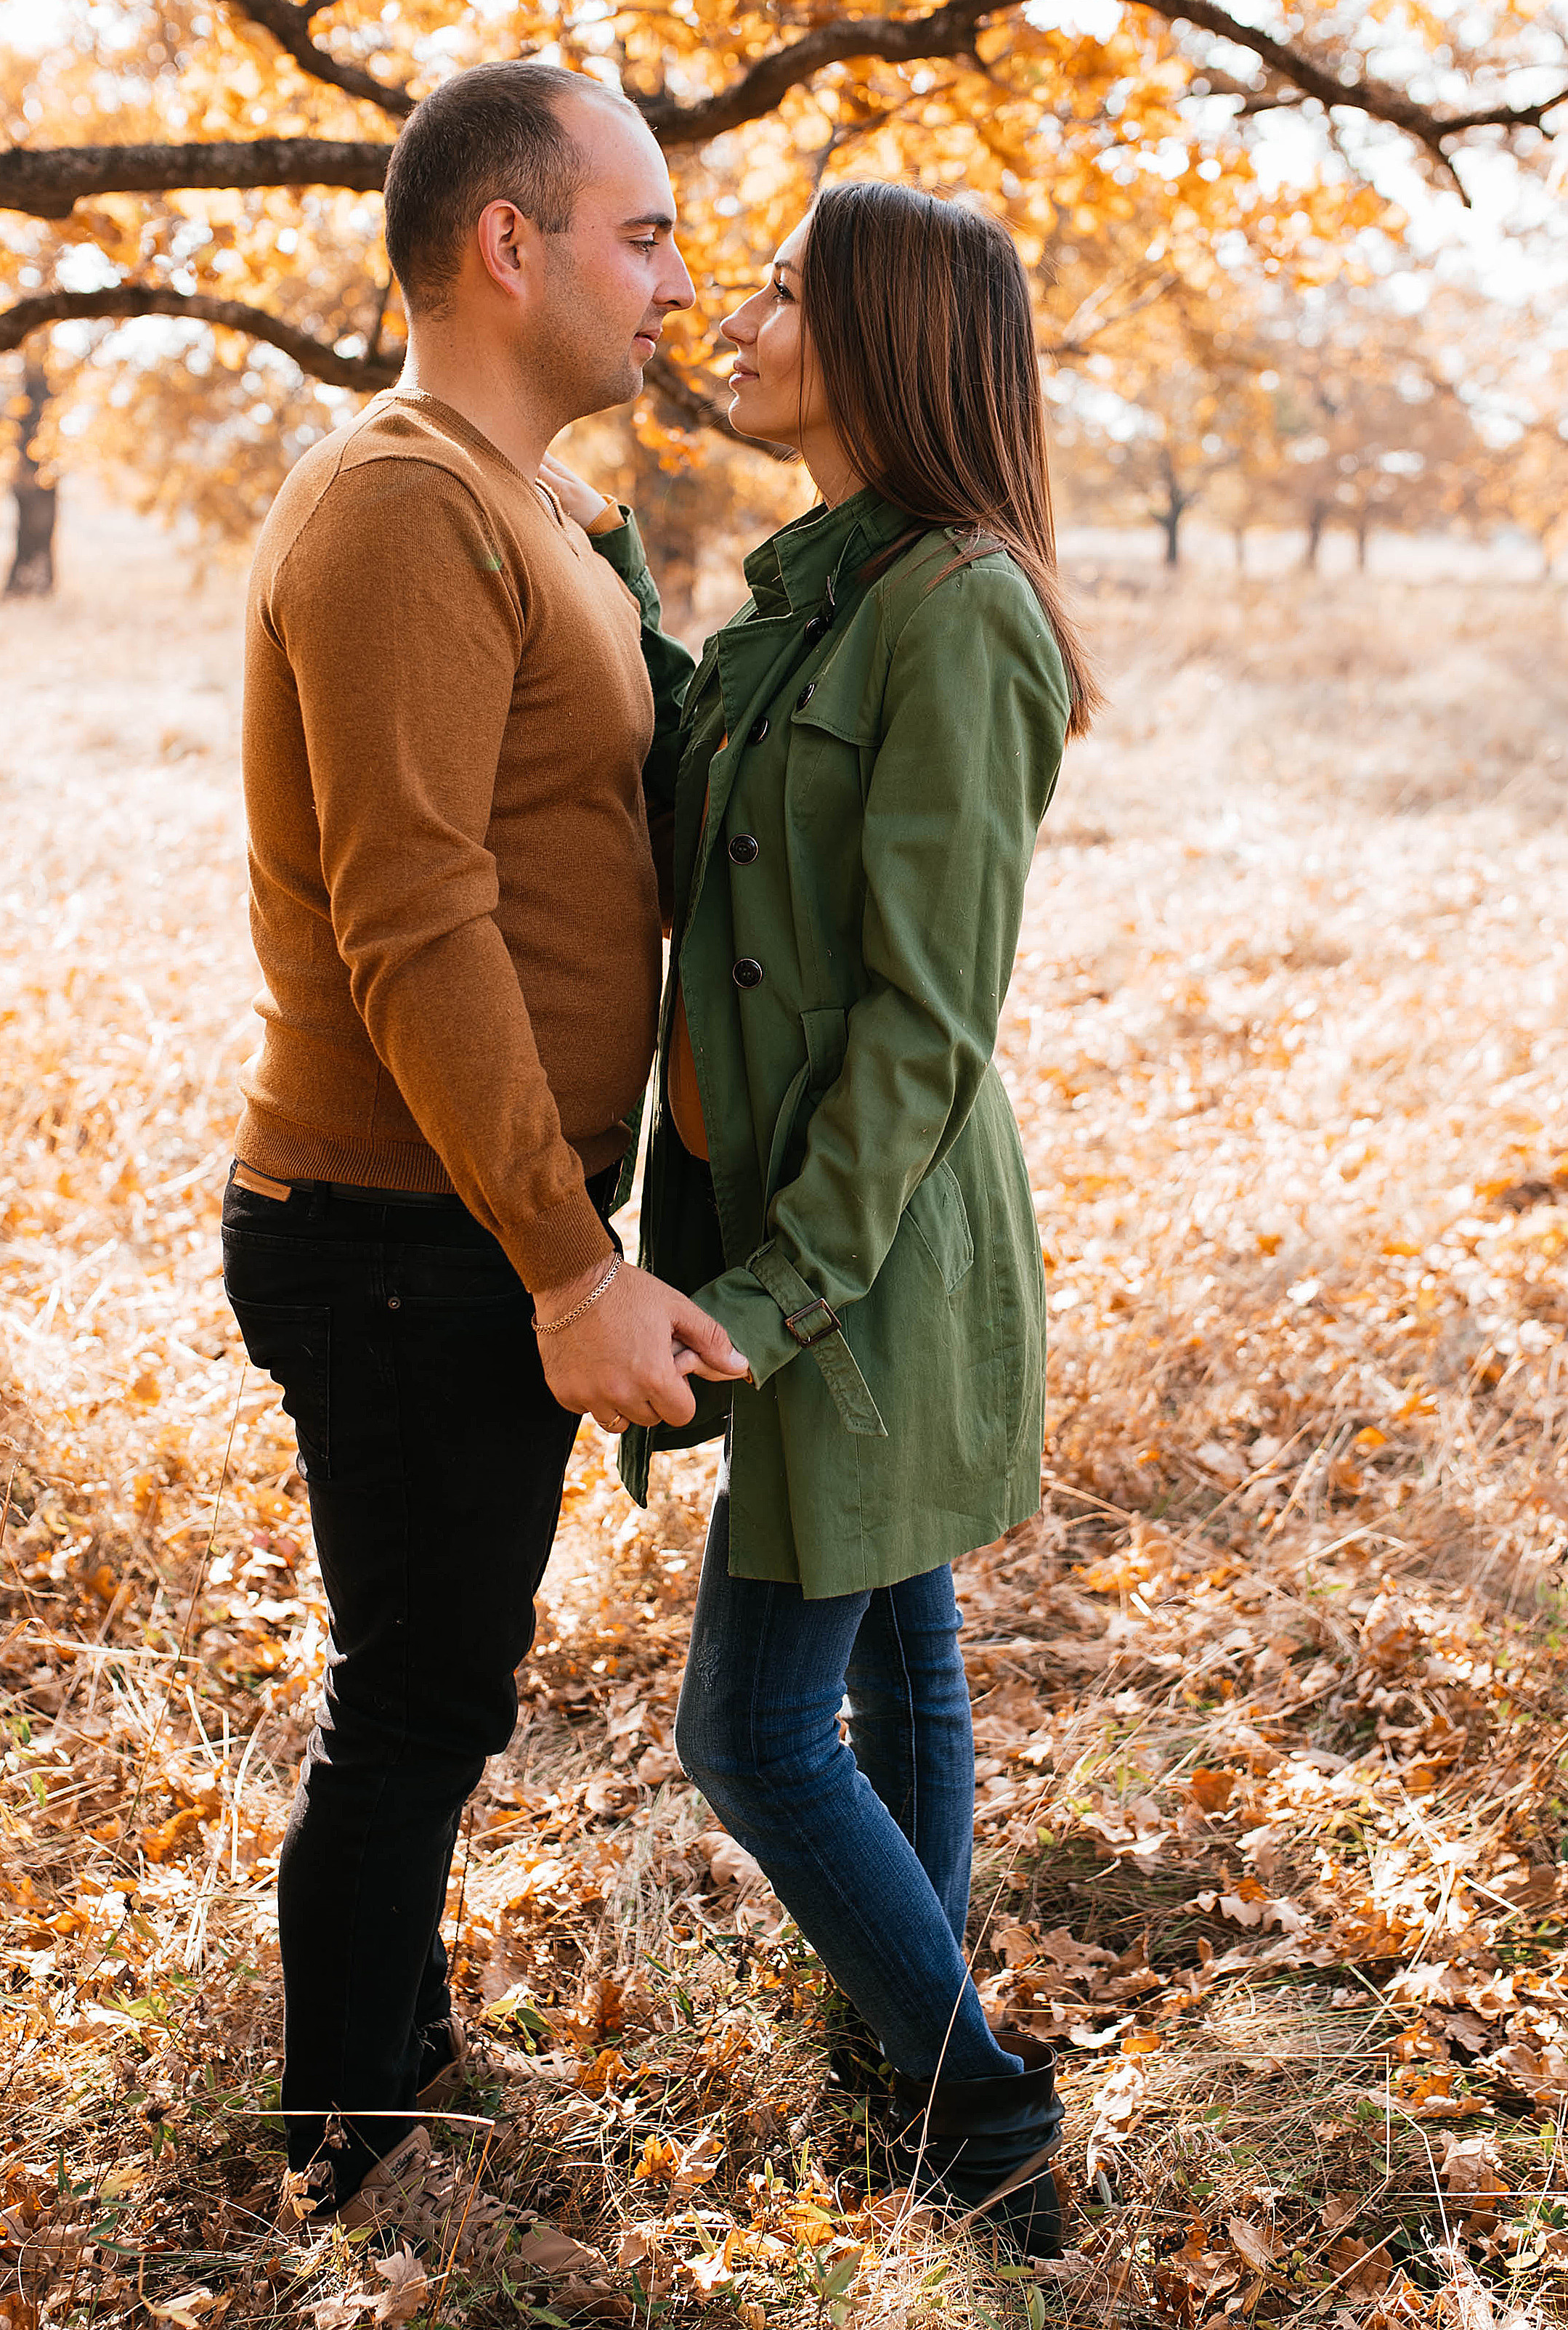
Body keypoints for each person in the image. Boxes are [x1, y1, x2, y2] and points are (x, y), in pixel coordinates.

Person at [546, 179, 1098, 2254]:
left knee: (751, 1726)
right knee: (904, 1656)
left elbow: (926, 1022)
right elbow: (732, 794)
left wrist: (774, 1293)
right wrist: (606, 578)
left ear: (883, 334)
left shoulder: (962, 607)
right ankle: (909, 2041)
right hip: (802, 1221)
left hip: (860, 1248)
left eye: (784, 287)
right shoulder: (827, 595)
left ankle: (987, 2108)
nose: (736, 311)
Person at [222, 62, 747, 2217]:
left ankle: (392, 2059)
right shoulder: (398, 504)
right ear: (508, 245)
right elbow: (413, 910)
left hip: (453, 1222)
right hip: (395, 1223)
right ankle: (354, 2139)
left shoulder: (522, 505)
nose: (678, 280)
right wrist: (567, 1259)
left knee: (443, 1676)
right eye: (641, 233)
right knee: (420, 1695)